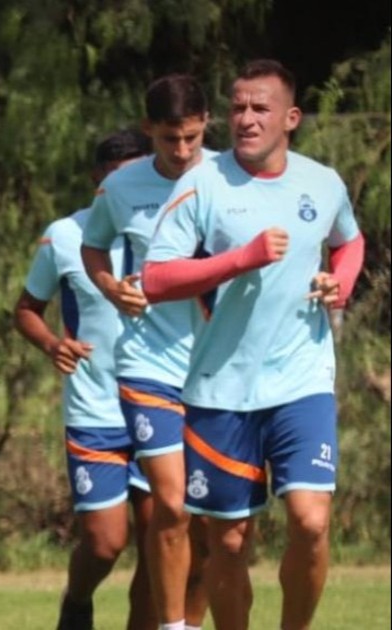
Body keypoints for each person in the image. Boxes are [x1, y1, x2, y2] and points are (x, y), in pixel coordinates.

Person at [144, 59, 364, 630]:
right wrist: (240, 259)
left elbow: (350, 241)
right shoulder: (202, 183)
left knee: (311, 521)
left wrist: (341, 281)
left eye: (260, 108)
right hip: (221, 389)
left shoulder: (323, 182)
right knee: (230, 540)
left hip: (302, 381)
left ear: (291, 118)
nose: (246, 118)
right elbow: (156, 278)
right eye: (238, 106)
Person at [80, 74, 213, 630]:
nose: (181, 151)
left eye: (191, 138)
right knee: (172, 503)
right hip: (148, 363)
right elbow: (93, 247)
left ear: (207, 124)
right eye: (168, 139)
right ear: (148, 129)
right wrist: (112, 288)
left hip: (221, 368)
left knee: (211, 519)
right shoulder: (121, 186)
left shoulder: (230, 178)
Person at [14, 129, 155, 630]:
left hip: (160, 404)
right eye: (114, 178)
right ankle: (76, 601)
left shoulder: (170, 231)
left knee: (159, 542)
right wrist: (53, 344)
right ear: (97, 180)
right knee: (104, 541)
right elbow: (26, 309)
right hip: (95, 409)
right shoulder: (65, 236)